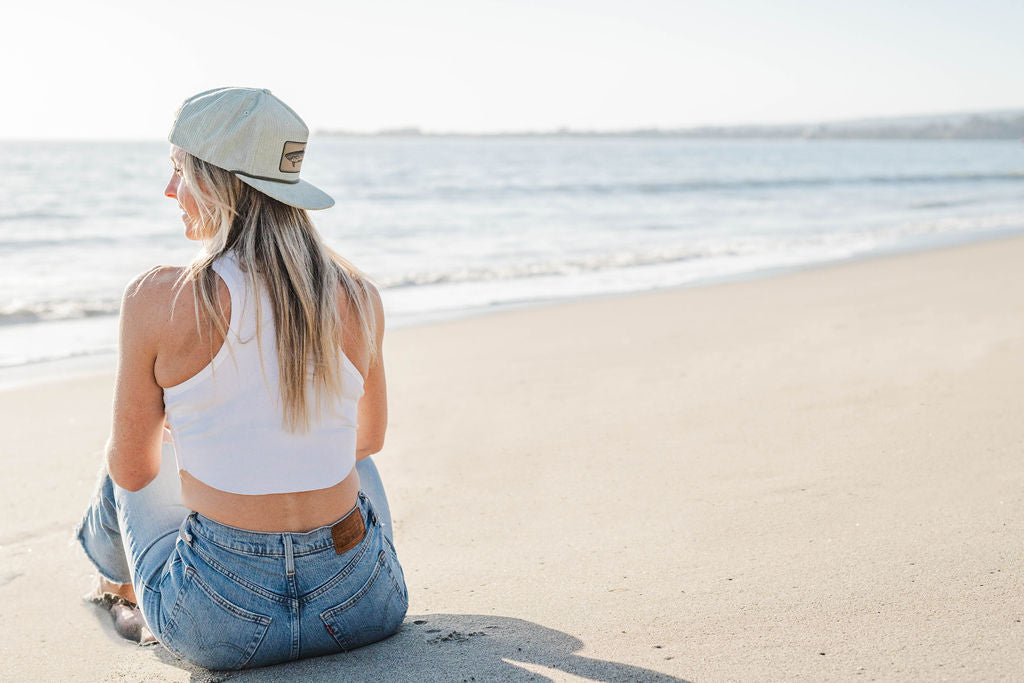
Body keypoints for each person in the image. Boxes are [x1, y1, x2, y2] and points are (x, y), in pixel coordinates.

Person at [74, 87, 407, 670]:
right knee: (344, 454)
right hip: (362, 607)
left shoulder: (163, 298)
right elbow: (367, 442)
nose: (170, 190)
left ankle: (119, 589)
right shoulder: (358, 295)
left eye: (179, 171)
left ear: (216, 180)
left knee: (127, 456)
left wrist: (180, 430)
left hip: (220, 624)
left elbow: (132, 472)